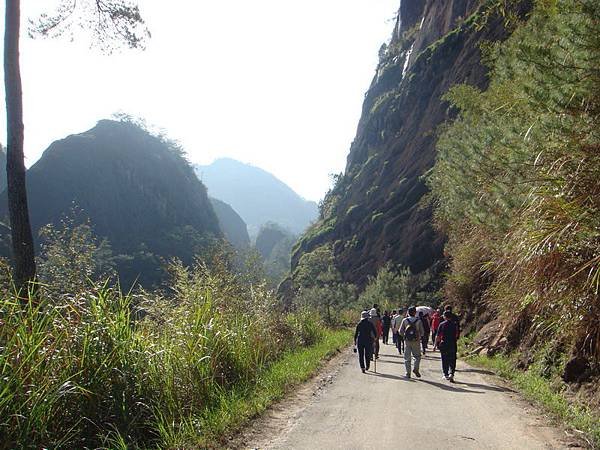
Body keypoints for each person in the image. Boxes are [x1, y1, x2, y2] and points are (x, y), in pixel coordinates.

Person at [399, 306, 424, 378]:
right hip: (416, 341)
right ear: (415, 312)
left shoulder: (405, 320)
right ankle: (416, 368)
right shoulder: (418, 321)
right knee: (417, 356)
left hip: (407, 341)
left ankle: (408, 373)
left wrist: (405, 336)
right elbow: (422, 332)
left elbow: (400, 331)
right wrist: (419, 337)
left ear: (408, 312)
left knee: (407, 358)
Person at [436, 310, 459, 381]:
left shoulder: (442, 324)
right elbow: (457, 335)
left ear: (444, 316)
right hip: (452, 343)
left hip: (444, 344)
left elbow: (438, 336)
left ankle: (445, 374)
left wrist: (436, 345)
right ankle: (451, 373)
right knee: (452, 359)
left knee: (444, 359)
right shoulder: (454, 324)